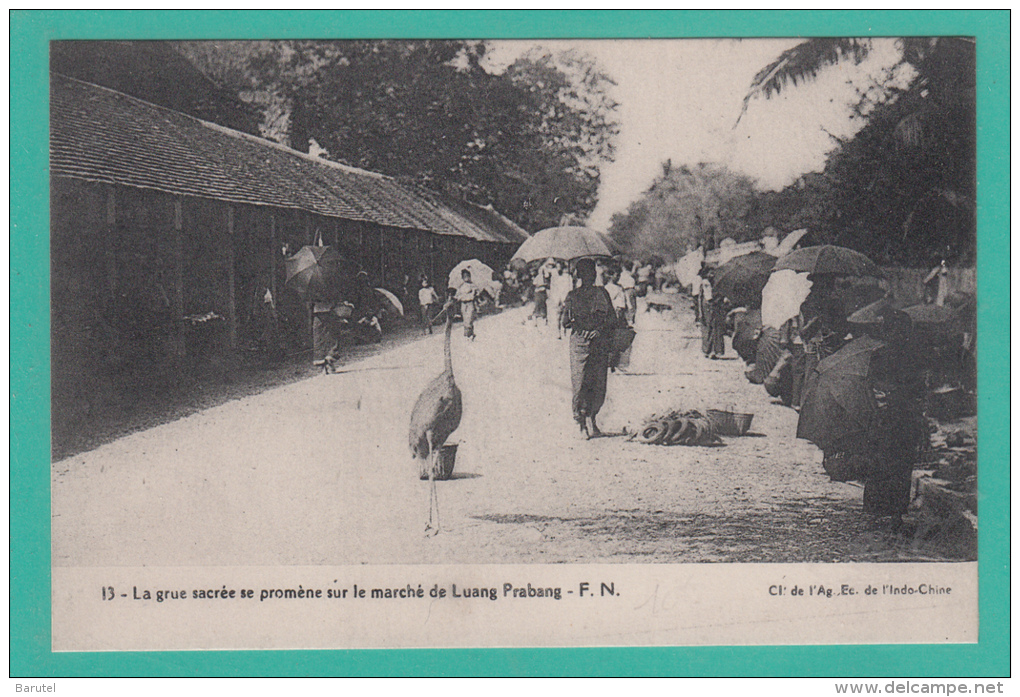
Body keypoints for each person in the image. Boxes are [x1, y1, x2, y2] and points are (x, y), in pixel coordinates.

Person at [562, 258, 615, 439]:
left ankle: (592, 419)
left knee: (598, 383)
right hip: (579, 343)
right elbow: (565, 322)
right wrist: (571, 313)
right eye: (585, 273)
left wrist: (599, 329)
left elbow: (612, 319)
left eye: (591, 273)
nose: (589, 276)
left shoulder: (603, 293)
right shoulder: (572, 295)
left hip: (598, 342)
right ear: (579, 275)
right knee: (580, 381)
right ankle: (581, 422)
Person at [454, 268, 479, 340]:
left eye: (467, 276)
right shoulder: (461, 286)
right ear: (462, 278)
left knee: (469, 318)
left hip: (470, 303)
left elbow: (477, 292)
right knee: (465, 319)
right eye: (464, 276)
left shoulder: (473, 285)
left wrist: (474, 293)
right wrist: (456, 297)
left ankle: (469, 334)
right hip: (463, 304)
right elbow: (457, 295)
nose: (466, 278)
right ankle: (470, 334)